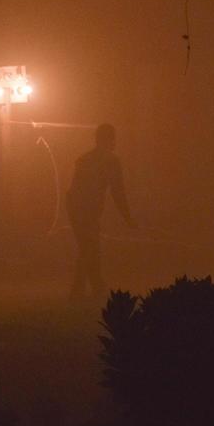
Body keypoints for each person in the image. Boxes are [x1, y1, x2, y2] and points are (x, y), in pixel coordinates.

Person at [68, 123, 135, 301]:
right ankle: (87, 288)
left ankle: (89, 287)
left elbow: (73, 190)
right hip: (87, 211)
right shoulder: (111, 162)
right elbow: (118, 193)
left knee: (88, 248)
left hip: (76, 209)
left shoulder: (84, 160)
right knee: (90, 248)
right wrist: (128, 219)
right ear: (110, 140)